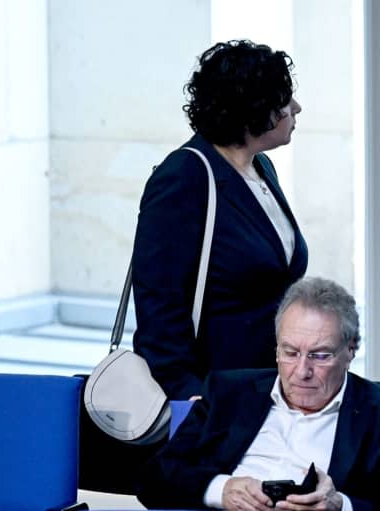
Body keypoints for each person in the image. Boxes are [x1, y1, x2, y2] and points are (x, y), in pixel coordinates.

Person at [137, 277, 380, 511]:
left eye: (320, 356)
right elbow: (154, 478)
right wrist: (221, 489)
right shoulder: (228, 392)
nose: (301, 370)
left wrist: (339, 505)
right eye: (290, 352)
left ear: (350, 350)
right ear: (276, 348)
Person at [132, 40, 308, 399]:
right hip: (212, 397)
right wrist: (187, 398)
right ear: (254, 109)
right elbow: (159, 303)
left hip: (266, 389)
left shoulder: (261, 168)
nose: (296, 108)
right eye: (284, 100)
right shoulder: (185, 176)